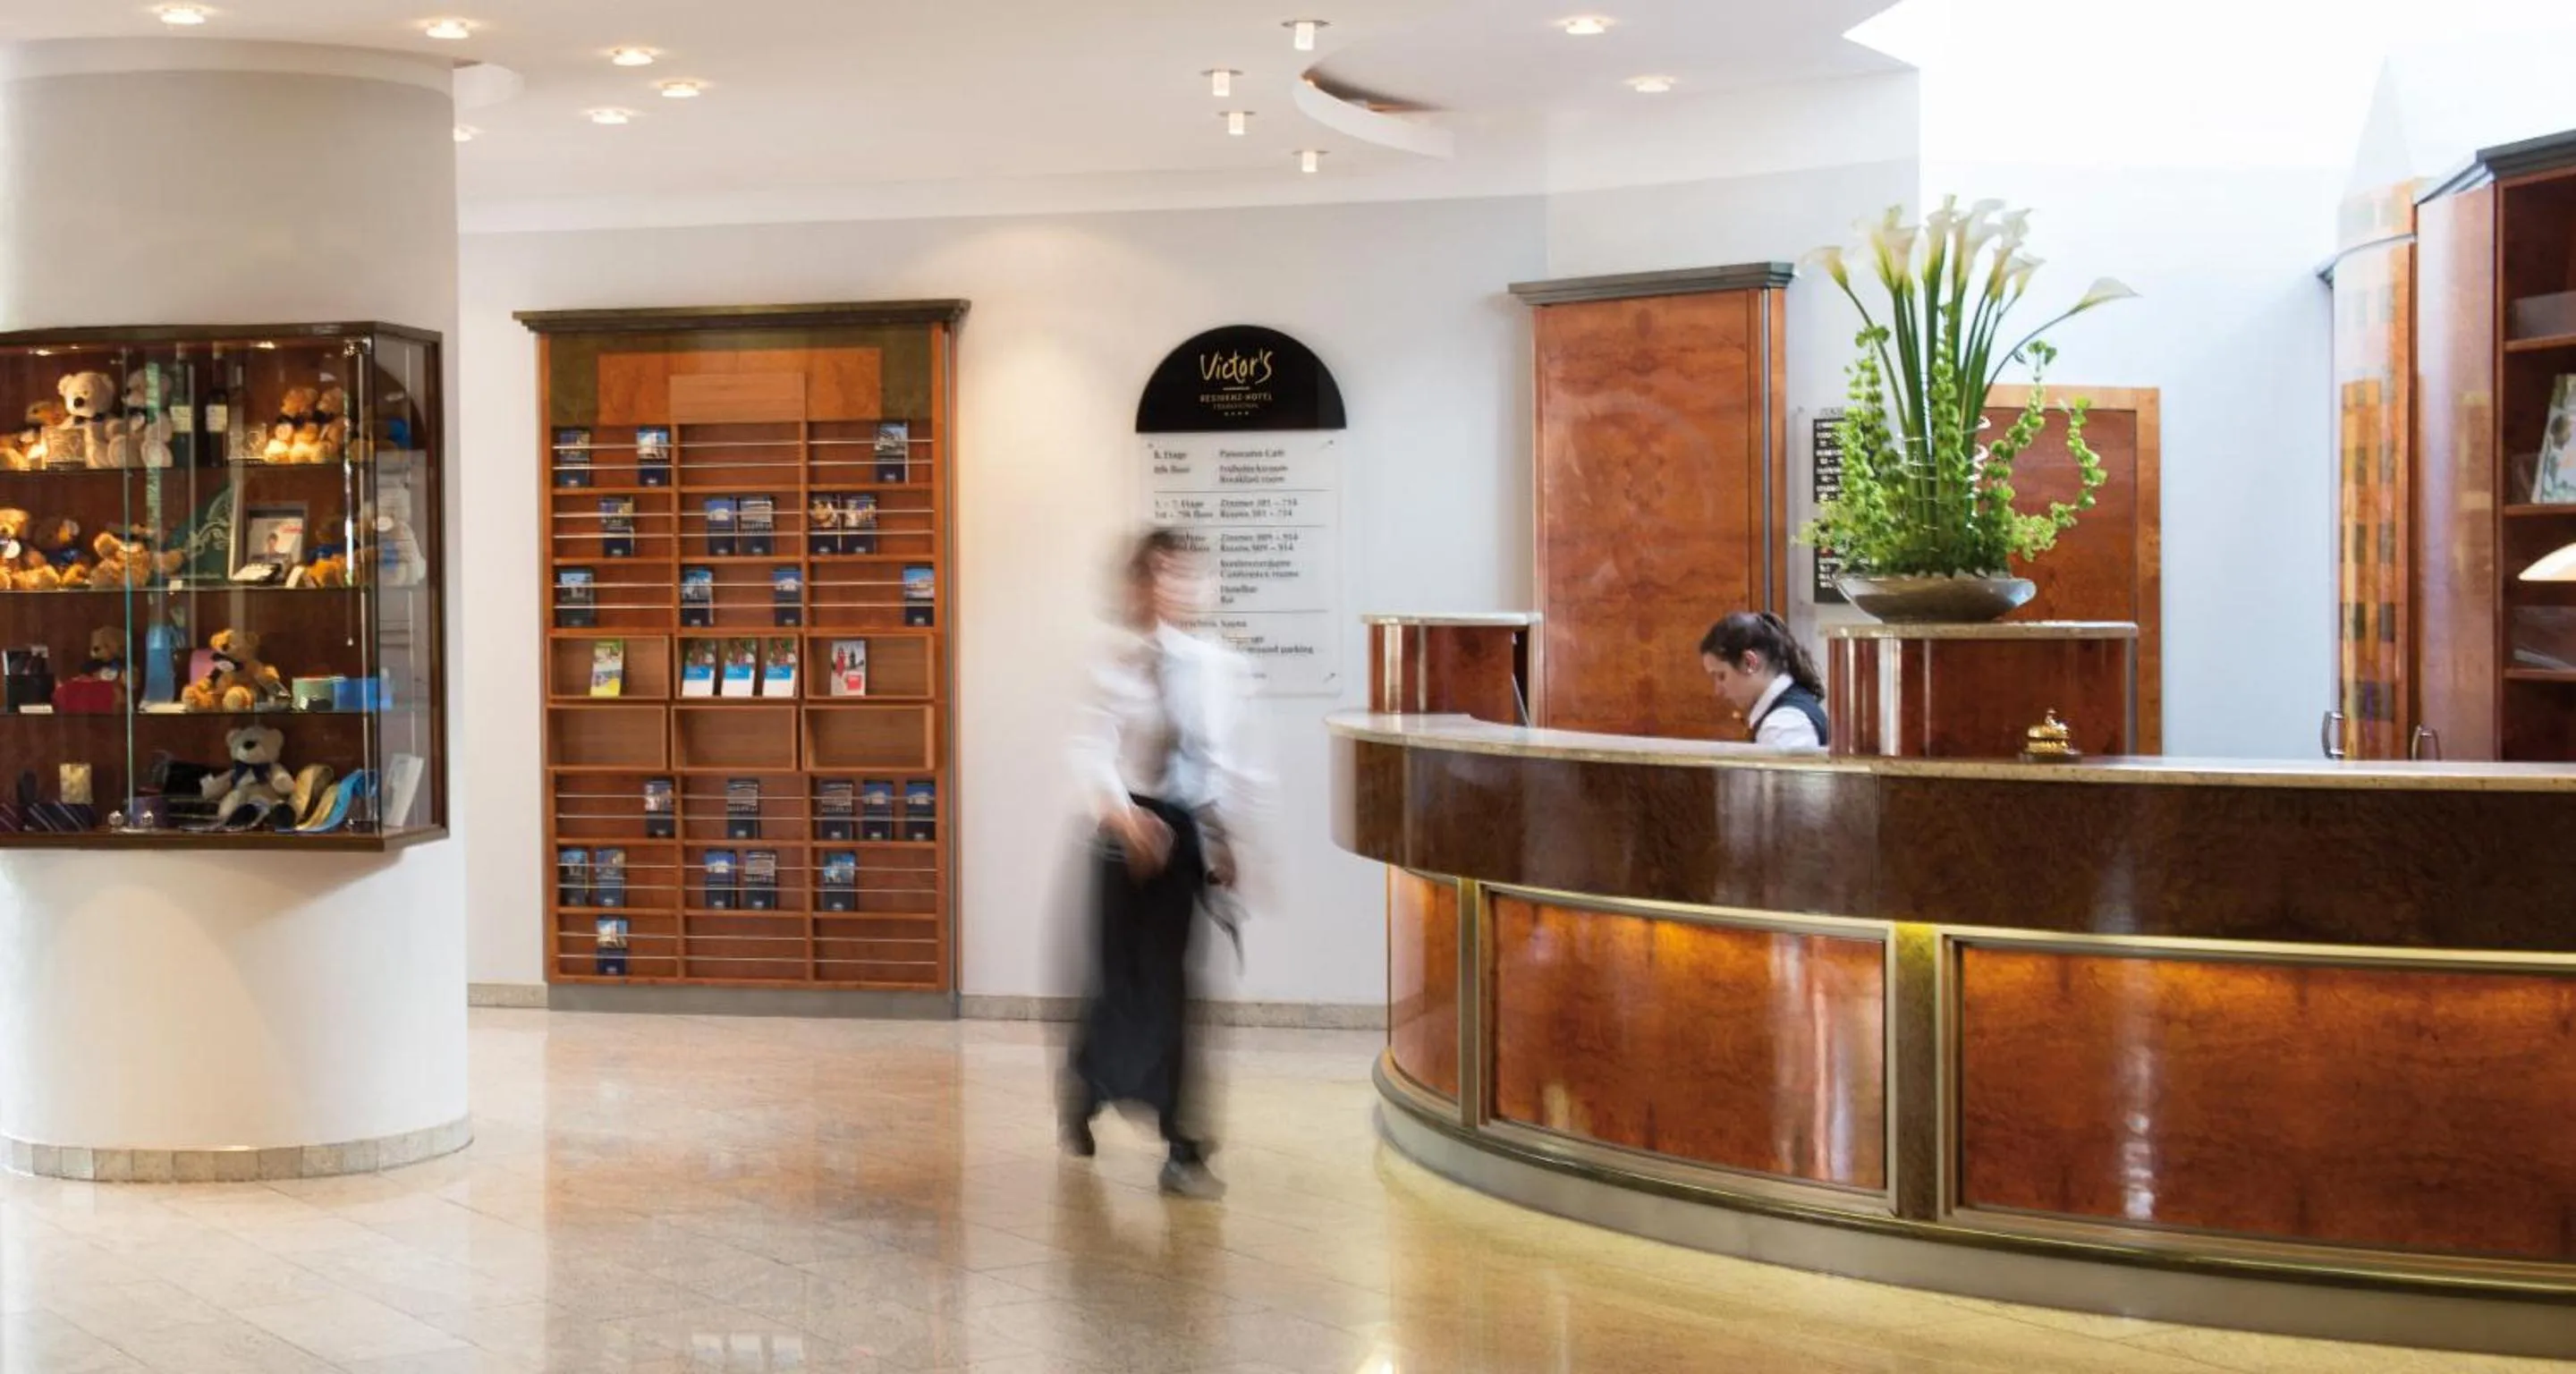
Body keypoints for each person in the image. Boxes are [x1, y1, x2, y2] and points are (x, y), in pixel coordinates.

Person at [1063, 528, 1261, 1200]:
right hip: (1123, 836)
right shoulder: (1114, 664)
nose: (1168, 587)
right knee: (1121, 987)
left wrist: (1223, 835)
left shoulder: (1218, 667)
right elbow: (1092, 750)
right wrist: (1125, 818)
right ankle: (1088, 1084)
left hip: (1181, 836)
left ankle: (1184, 1148)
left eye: (1180, 574)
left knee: (1176, 992)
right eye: (1154, 574)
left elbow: (1221, 760)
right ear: (1135, 586)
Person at [1699, 611, 1829, 750]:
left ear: (1749, 662)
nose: (1718, 691)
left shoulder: (1783, 727)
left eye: (1721, 676)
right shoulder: (1787, 714)